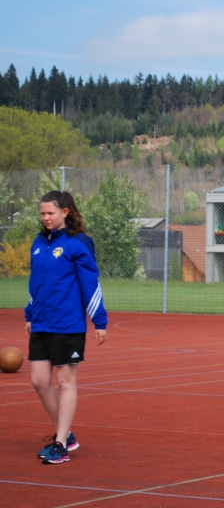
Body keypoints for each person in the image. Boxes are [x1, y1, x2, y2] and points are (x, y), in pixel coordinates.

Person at [25, 191, 107, 464]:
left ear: (65, 212)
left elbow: (90, 283)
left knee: (65, 382)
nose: (46, 218)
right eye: (42, 213)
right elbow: (36, 283)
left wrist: (99, 320)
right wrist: (30, 313)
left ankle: (60, 444)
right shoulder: (39, 243)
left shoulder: (78, 242)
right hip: (41, 322)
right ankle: (67, 434)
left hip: (67, 323)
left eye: (50, 213)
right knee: (39, 381)